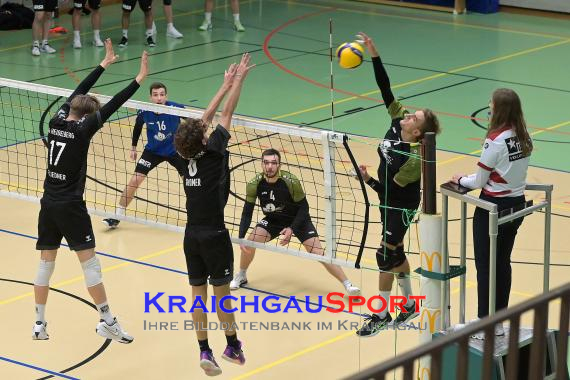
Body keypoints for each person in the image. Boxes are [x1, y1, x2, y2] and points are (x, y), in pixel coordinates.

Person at [32, 40, 148, 343]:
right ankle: (108, 320)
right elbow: (114, 105)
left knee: (46, 263)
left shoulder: (57, 121)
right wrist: (138, 79)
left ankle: (39, 324)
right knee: (90, 264)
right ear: (85, 117)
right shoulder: (82, 130)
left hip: (48, 203)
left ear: (70, 108)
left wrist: (104, 64)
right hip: (71, 206)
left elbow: (78, 91)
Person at [354, 32, 440, 337]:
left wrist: (374, 183)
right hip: (388, 198)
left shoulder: (414, 160)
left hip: (401, 206)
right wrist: (374, 54)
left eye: (412, 118)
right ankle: (408, 306)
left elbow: (395, 190)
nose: (406, 115)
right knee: (397, 252)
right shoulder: (396, 121)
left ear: (417, 132)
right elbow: (385, 87)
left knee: (384, 255)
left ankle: (381, 314)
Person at [174, 53, 254, 376]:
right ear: (204, 139)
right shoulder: (215, 152)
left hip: (190, 236)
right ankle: (232, 344)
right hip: (214, 236)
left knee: (198, 295)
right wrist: (238, 82)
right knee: (222, 296)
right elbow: (226, 113)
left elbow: (201, 123)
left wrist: (224, 84)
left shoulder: (185, 156)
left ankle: (204, 350)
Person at [451, 88, 532, 337]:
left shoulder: (495, 140)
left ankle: (484, 323)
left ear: (499, 109)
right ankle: (497, 322)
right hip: (516, 205)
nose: (488, 108)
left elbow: (479, 181)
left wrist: (461, 179)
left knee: (486, 266)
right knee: (502, 263)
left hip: (492, 209)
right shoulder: (523, 135)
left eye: (491, 104)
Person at [231, 149, 361, 296]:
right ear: (262, 164)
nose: (270, 166)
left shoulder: (290, 181)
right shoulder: (254, 183)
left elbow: (304, 207)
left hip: (298, 220)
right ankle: (241, 275)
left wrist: (292, 228)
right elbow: (247, 211)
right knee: (249, 242)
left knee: (318, 252)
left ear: (279, 164)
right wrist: (241, 236)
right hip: (274, 220)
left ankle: (348, 284)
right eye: (266, 163)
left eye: (274, 163)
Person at [102, 82, 186, 229]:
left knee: (190, 183)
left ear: (166, 96)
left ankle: (196, 218)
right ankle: (117, 216)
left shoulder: (176, 109)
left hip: (175, 151)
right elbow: (137, 127)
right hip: (152, 151)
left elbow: (194, 123)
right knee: (134, 181)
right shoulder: (144, 111)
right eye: (155, 95)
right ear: (151, 97)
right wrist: (133, 147)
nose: (159, 98)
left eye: (161, 94)